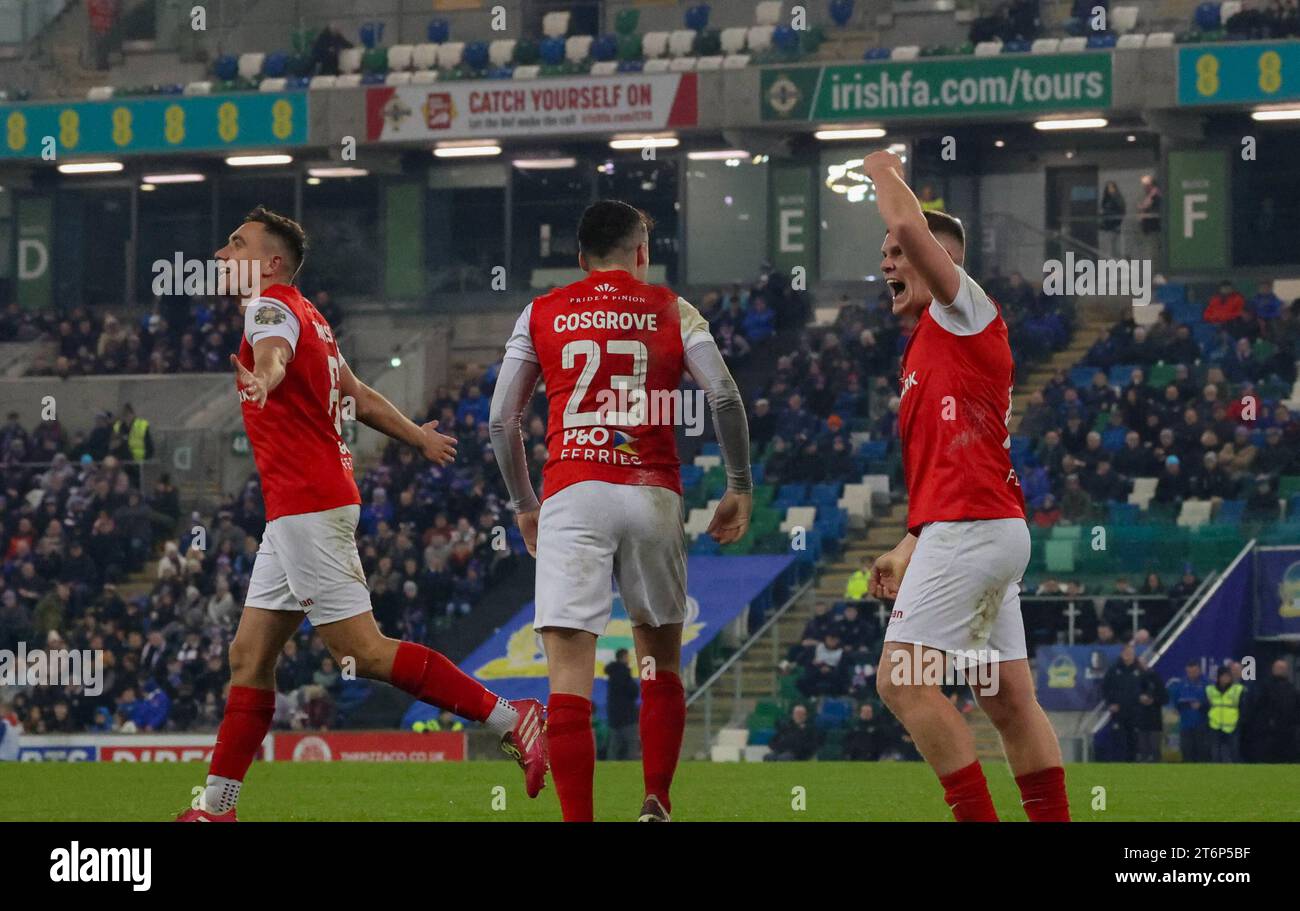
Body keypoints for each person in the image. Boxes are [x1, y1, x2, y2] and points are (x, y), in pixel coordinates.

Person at [177, 207, 546, 822]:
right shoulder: (312, 318)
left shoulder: (267, 307)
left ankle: (514, 718)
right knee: (249, 657)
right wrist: (417, 438)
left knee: (366, 654)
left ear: (270, 263)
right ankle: (218, 809)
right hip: (300, 508)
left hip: (309, 506)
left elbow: (269, 353)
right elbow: (358, 393)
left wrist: (264, 377)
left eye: (236, 244)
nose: (221, 254)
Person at [488, 199, 752, 822]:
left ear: (579, 259)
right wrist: (738, 482)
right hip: (651, 491)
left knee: (569, 680)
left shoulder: (541, 311)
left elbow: (503, 421)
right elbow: (725, 395)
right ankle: (655, 802)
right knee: (659, 660)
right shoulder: (672, 308)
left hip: (572, 493)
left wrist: (525, 505)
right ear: (642, 253)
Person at [862, 149, 1068, 822]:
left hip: (975, 532)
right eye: (886, 253)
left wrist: (877, 165)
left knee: (901, 681)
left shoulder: (966, 311)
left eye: (899, 250)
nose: (889, 261)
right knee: (1006, 696)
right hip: (984, 529)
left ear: (937, 259)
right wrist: (906, 545)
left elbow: (910, 221)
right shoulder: (926, 347)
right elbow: (950, 477)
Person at [1169, 660, 1211, 762]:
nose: (1192, 674)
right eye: (1189, 672)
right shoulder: (1181, 684)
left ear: (1199, 670)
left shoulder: (1208, 684)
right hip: (1185, 724)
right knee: (1187, 753)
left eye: (1194, 671)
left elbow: (1213, 702)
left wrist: (1201, 705)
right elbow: (1175, 702)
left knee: (1202, 753)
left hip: (1202, 724)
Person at [604, 648, 641, 761]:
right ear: (624, 657)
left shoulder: (611, 674)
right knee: (631, 746)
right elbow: (633, 691)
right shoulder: (625, 673)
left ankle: (609, 771)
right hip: (627, 716)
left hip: (614, 716)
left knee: (614, 747)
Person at [1206, 666, 1244, 762]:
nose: (1225, 679)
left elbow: (1243, 707)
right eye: (1223, 676)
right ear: (1218, 677)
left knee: (1234, 752)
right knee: (1215, 753)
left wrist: (1240, 721)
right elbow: (1207, 705)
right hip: (1215, 724)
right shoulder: (1210, 689)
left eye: (1228, 676)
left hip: (1232, 725)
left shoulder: (1238, 689)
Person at [1099, 180, 1126, 258]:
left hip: (1114, 226)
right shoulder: (1107, 199)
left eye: (1112, 188)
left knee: (1116, 249)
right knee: (1108, 250)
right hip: (1107, 227)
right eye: (1108, 188)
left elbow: (1121, 211)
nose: (1110, 190)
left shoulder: (1117, 199)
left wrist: (1105, 213)